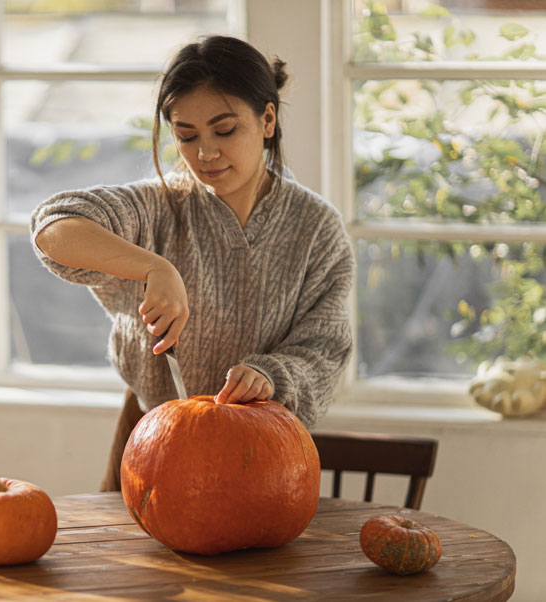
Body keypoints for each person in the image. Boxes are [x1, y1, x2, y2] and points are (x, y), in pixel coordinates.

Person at [31, 35, 354, 491]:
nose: (205, 153)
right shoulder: (157, 209)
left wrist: (269, 375)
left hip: (266, 454)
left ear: (267, 119)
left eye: (224, 131)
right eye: (186, 136)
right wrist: (153, 267)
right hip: (154, 441)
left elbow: (324, 348)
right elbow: (53, 226)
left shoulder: (317, 227)